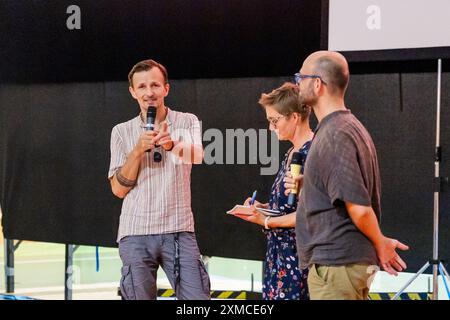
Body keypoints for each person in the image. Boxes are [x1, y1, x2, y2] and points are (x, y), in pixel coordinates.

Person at [293, 51, 409, 300]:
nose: (297, 83)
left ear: (316, 84)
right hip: (342, 264)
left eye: (301, 77)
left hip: (338, 265)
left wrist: (380, 243)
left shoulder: (336, 134)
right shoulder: (346, 127)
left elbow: (359, 207)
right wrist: (312, 185)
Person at [108, 59, 210, 300]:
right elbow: (118, 189)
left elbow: (197, 156)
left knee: (198, 300)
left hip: (179, 229)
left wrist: (172, 144)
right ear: (133, 92)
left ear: (166, 88)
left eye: (154, 85)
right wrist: (136, 151)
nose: (149, 92)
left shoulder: (187, 121)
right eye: (141, 87)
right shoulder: (121, 131)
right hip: (135, 232)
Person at [233, 82, 313, 300]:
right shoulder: (291, 153)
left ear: (294, 117)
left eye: (274, 121)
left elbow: (310, 212)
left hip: (299, 255)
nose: (271, 127)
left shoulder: (314, 152)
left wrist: (266, 221)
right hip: (279, 252)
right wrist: (264, 208)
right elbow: (289, 203)